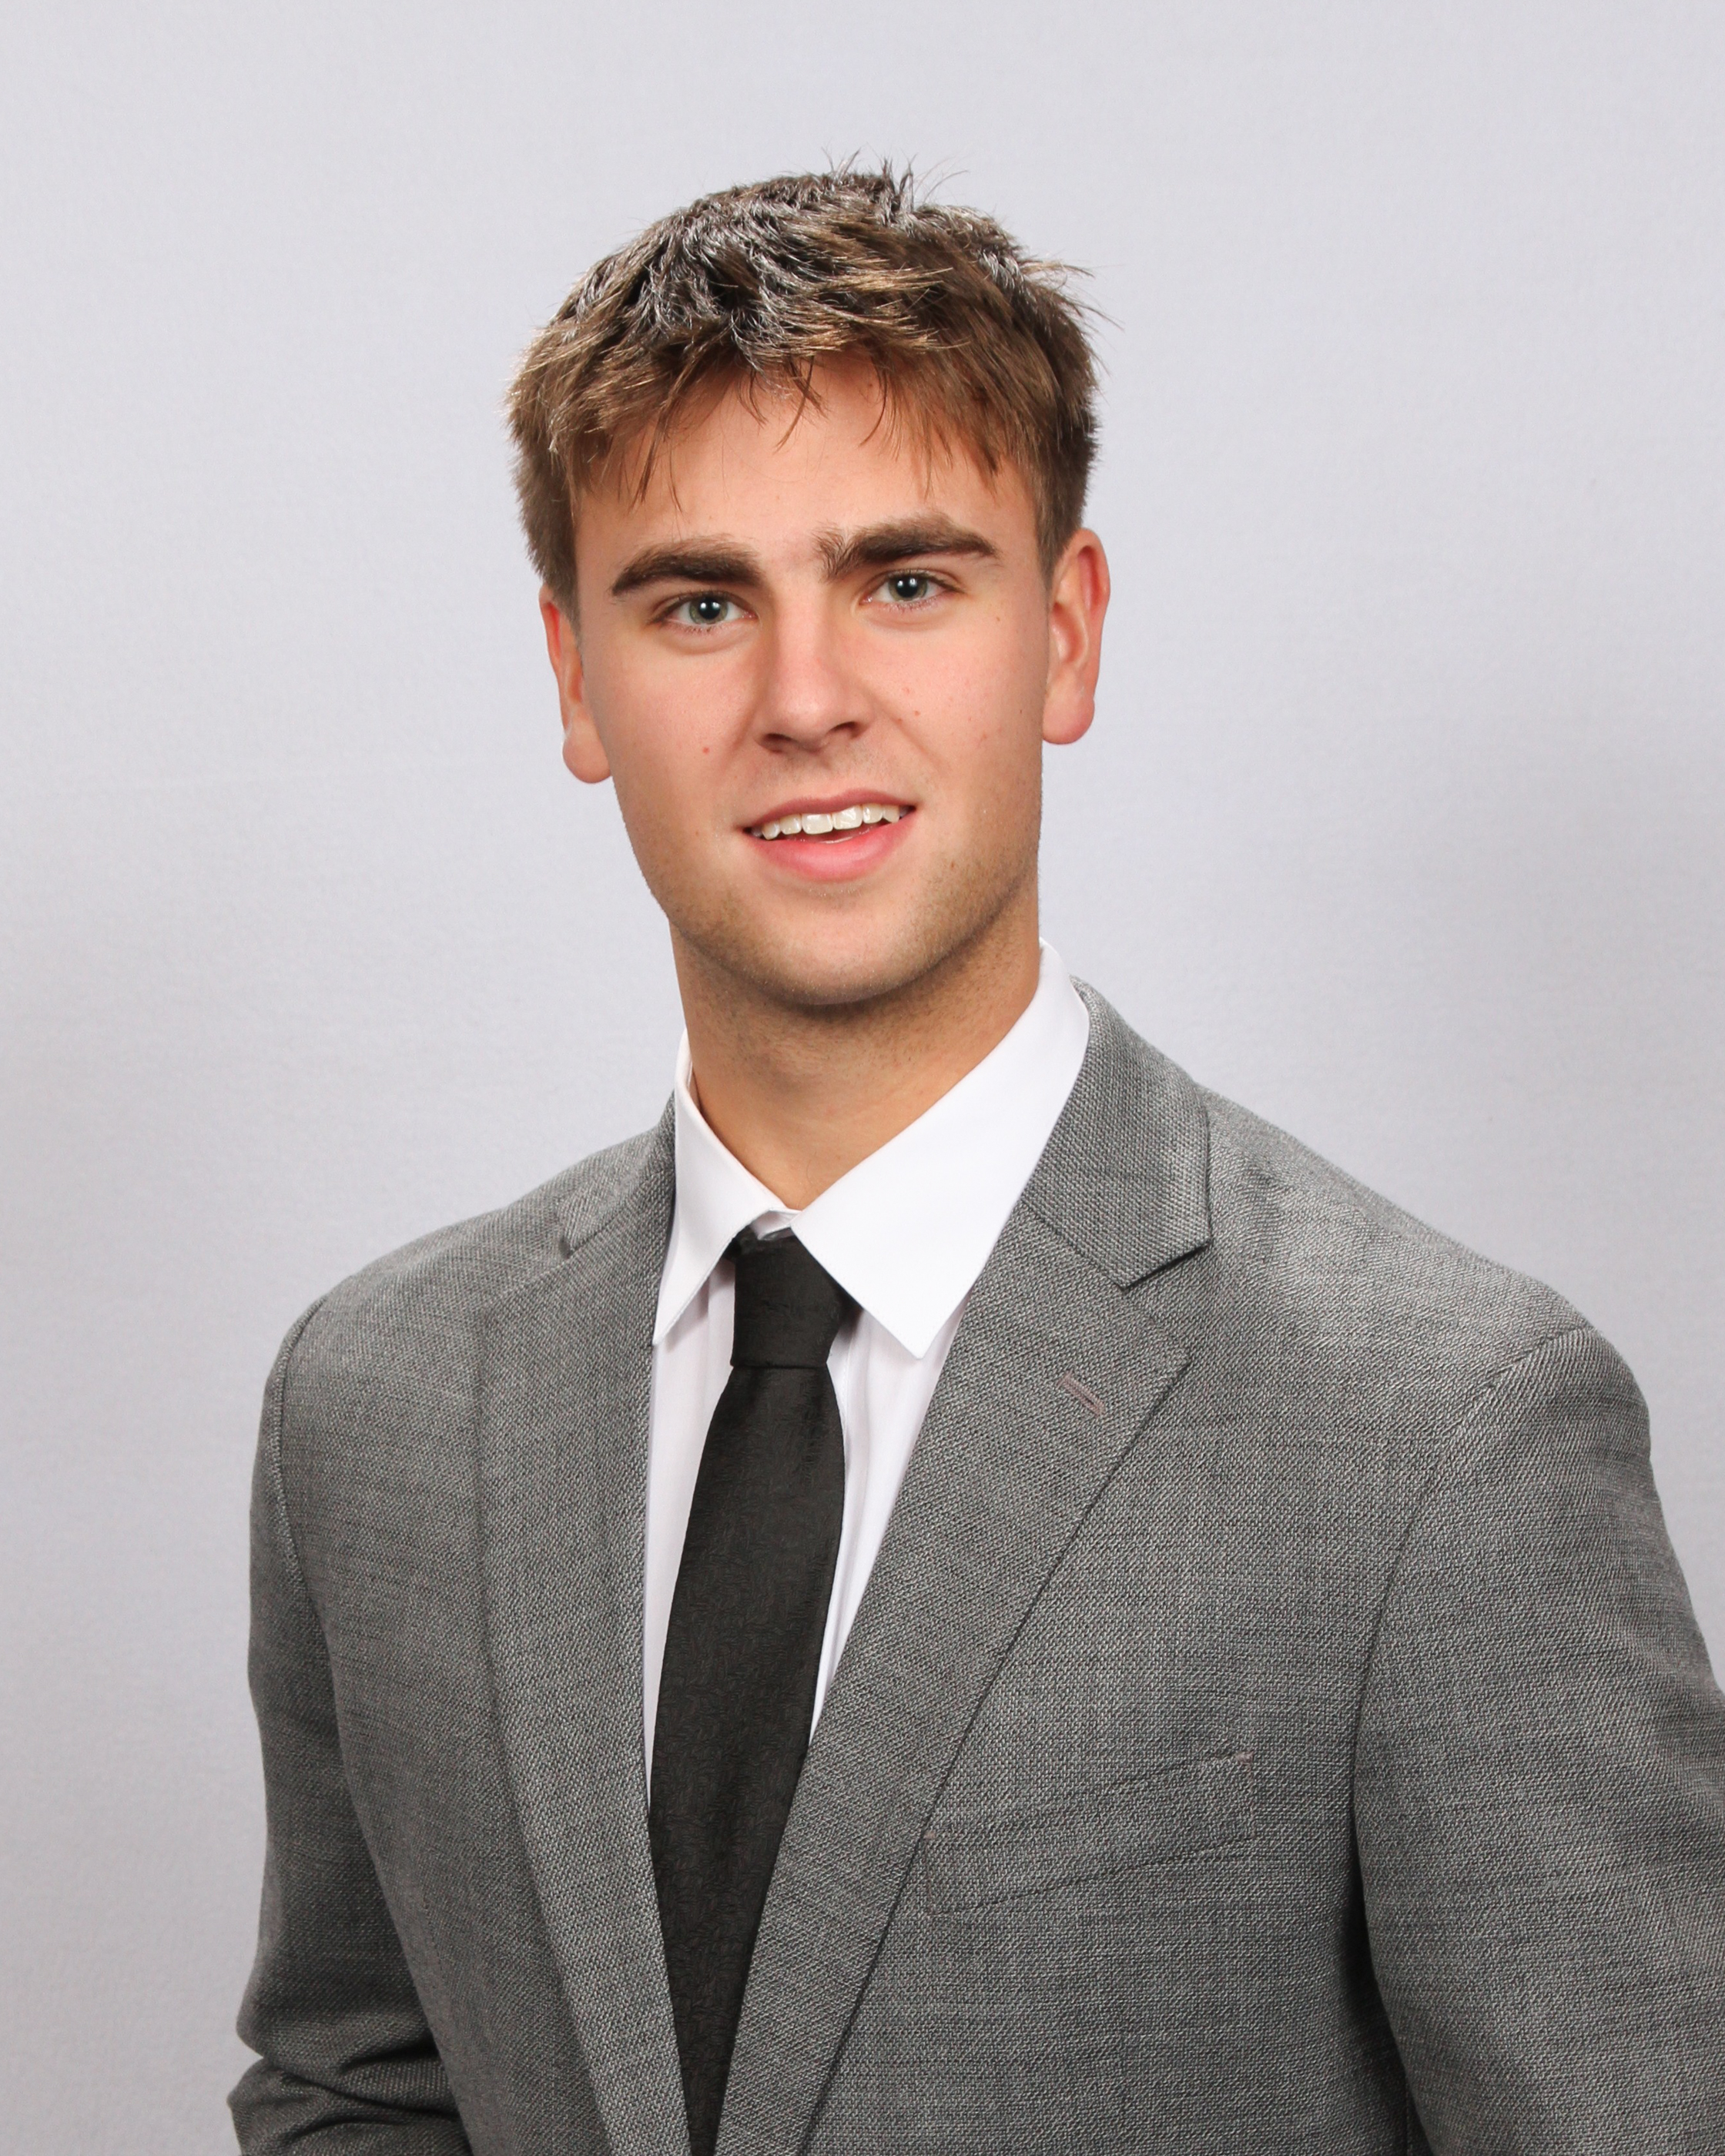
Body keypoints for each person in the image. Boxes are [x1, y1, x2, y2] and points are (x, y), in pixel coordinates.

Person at [230, 167, 1725, 2156]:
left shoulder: (1439, 1436)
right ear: (577, 679)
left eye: (908, 583)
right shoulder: (376, 1408)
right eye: (699, 604)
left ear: (1067, 634)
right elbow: (357, 2087)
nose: (805, 701)